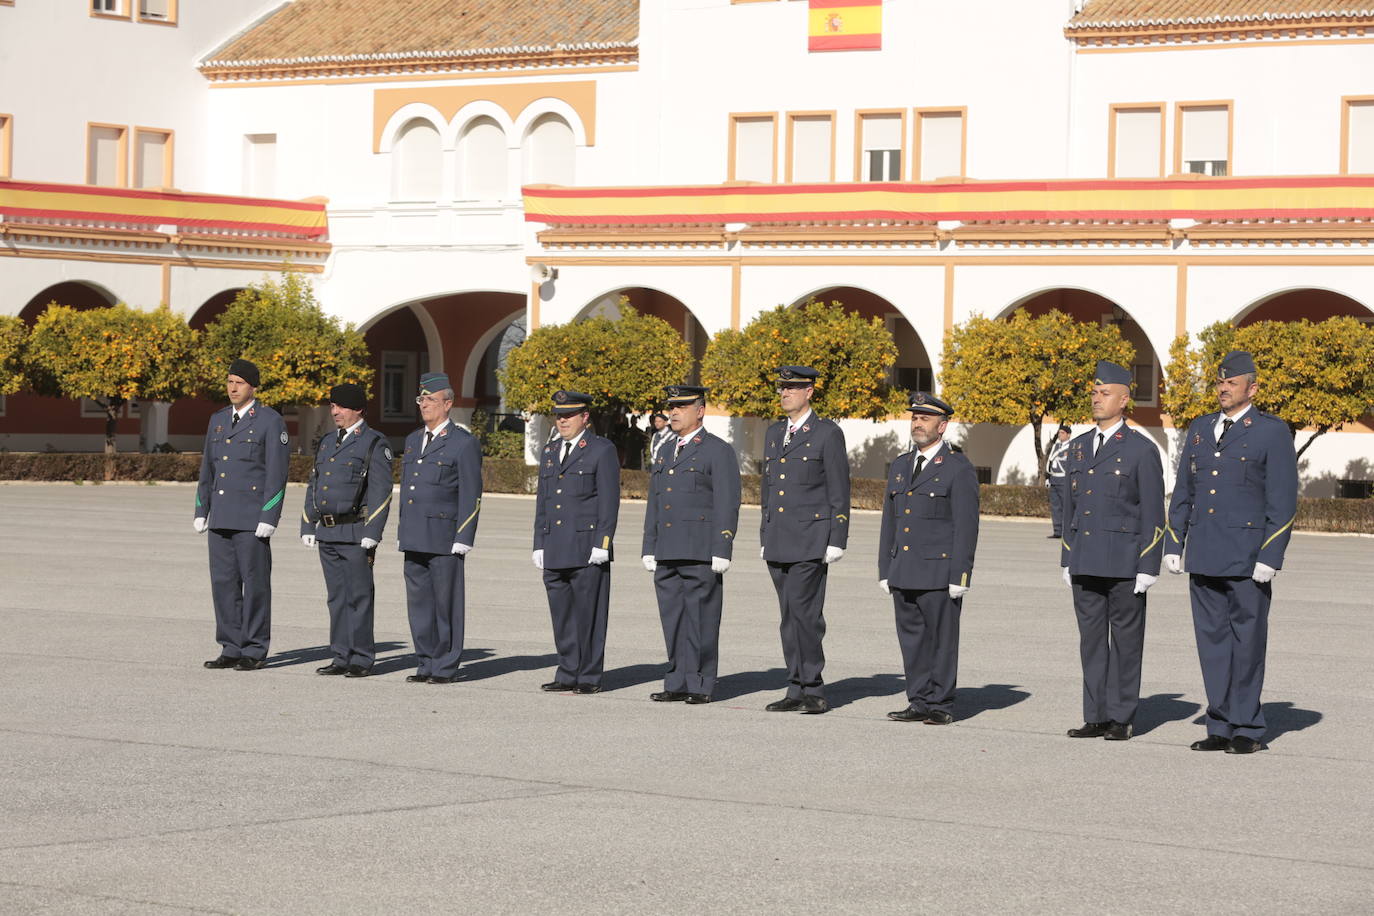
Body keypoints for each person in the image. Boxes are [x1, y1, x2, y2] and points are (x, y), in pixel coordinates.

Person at [1165, 350, 1298, 754]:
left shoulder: (1270, 432)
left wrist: (1270, 556)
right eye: (1220, 383)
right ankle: (1218, 724)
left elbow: (1283, 501)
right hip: (1204, 553)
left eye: (1231, 383)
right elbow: (1185, 490)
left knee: (1248, 642)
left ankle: (1248, 727)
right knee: (1213, 643)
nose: (1223, 388)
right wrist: (1175, 543)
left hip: (1246, 557)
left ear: (1251, 388)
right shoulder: (1201, 428)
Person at [1058, 362, 1164, 741]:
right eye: (1094, 393)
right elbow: (1070, 509)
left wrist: (1149, 563)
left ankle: (1121, 716)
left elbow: (1153, 510)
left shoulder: (1140, 450)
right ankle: (1096, 714)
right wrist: (1067, 557)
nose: (1096, 399)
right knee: (1090, 643)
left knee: (1125, 643)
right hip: (1086, 558)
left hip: (1124, 563)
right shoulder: (1079, 447)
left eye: (1104, 394)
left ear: (1124, 400)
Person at [878, 392, 979, 725]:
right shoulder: (901, 465)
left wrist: (960, 575)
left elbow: (966, 526)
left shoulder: (956, 468)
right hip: (904, 569)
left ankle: (941, 703)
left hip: (939, 571)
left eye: (925, 418)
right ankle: (918, 699)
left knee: (940, 641)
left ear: (943, 425)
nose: (917, 423)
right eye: (914, 417)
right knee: (912, 640)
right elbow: (889, 521)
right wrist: (884, 568)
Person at [641, 385, 742, 705]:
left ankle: (700, 682)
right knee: (673, 618)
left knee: (701, 618)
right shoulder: (665, 448)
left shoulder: (716, 450)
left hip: (699, 550)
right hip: (668, 548)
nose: (673, 412)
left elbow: (728, 501)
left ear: (700, 411)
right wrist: (649, 544)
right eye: (672, 407)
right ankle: (677, 679)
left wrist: (722, 547)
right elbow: (655, 500)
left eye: (681, 407)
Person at [759, 366, 850, 714]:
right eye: (782, 388)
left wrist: (836, 537)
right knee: (787, 617)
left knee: (806, 615)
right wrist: (765, 533)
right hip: (780, 538)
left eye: (793, 388)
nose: (785, 393)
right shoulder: (773, 433)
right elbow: (769, 488)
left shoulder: (827, 433)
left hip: (811, 539)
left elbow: (839, 489)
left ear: (810, 392)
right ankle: (794, 685)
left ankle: (813, 688)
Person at [193, 358, 289, 671]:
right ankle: (230, 646)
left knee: (255, 585)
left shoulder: (270, 421)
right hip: (220, 517)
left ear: (253, 387)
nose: (233, 388)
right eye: (230, 382)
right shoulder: (217, 420)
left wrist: (269, 516)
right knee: (223, 584)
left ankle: (254, 648)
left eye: (240, 383)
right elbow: (207, 468)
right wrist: (201, 509)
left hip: (251, 520)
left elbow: (277, 473)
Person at [299, 383, 394, 678]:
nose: (335, 412)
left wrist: (373, 531)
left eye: (341, 407)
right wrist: (308, 521)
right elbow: (315, 483)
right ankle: (341, 655)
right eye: (332, 407)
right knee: (336, 597)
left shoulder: (374, 443)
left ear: (358, 410)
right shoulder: (328, 442)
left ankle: (362, 657)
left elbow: (381, 491)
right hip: (328, 533)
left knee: (359, 596)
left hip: (355, 532)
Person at [396, 373, 482, 684]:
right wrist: (402, 530)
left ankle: (445, 665)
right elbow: (408, 489)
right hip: (415, 534)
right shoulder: (412, 439)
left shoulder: (462, 442)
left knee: (446, 605)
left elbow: (471, 494)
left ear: (447, 404)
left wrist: (464, 536)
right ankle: (425, 662)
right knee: (419, 606)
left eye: (430, 400)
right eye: (421, 400)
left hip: (445, 538)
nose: (424, 405)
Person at [533, 390, 620, 695]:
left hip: (587, 548)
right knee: (562, 615)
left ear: (585, 417)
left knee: (589, 615)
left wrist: (603, 543)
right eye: (559, 415)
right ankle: (567, 670)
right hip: (555, 545)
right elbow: (543, 500)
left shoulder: (600, 450)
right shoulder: (550, 451)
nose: (562, 420)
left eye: (569, 415)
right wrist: (538, 543)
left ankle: (589, 675)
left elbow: (609, 502)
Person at [1045, 424, 1072, 538]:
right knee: (1055, 507)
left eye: (1062, 433)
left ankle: (1067, 531)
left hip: (1064, 479)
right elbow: (1049, 462)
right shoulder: (1056, 447)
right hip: (1054, 479)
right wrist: (1048, 477)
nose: (1060, 435)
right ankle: (1057, 531)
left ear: (1068, 435)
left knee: (1066, 507)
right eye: (1059, 433)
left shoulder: (1072, 447)